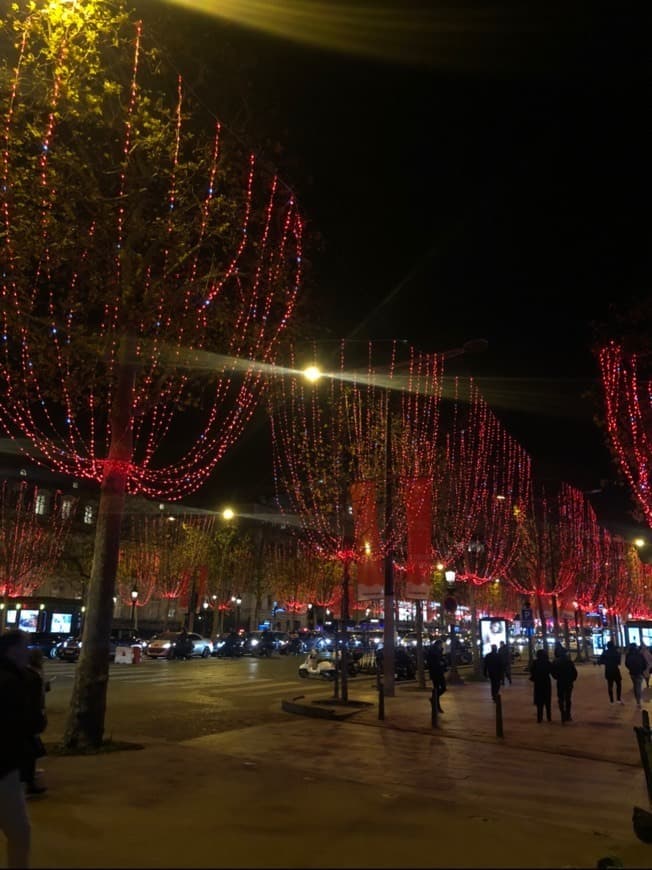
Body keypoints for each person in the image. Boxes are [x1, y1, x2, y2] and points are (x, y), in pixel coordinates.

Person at [0, 630, 33, 868]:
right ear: (13, 651)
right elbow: (27, 722)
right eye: (25, 648)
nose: (28, 653)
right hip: (5, 765)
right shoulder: (14, 681)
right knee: (19, 833)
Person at [20, 649, 48, 796]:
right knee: (30, 752)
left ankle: (28, 782)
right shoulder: (31, 675)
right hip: (27, 720)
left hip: (27, 719)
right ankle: (28, 783)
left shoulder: (32, 673)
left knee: (30, 752)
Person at [550, 645, 578, 723]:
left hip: (560, 682)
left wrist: (557, 677)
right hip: (568, 682)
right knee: (568, 699)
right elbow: (574, 672)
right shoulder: (568, 661)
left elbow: (553, 672)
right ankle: (568, 714)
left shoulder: (556, 661)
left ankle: (562, 713)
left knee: (561, 698)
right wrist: (572, 679)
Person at [530, 648, 553, 722]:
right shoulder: (547, 662)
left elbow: (532, 671)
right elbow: (551, 671)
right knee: (547, 701)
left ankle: (539, 718)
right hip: (546, 682)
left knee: (539, 701)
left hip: (538, 682)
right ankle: (549, 717)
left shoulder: (535, 662)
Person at [598, 640, 624, 704]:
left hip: (608, 671)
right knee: (618, 685)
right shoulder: (616, 653)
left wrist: (606, 662)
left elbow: (600, 661)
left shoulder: (605, 652)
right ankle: (618, 699)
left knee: (610, 685)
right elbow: (619, 662)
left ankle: (611, 700)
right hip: (615, 670)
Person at [426, 640, 447, 713]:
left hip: (439, 672)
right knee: (438, 688)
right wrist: (440, 663)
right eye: (441, 645)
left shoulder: (437, 651)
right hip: (436, 673)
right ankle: (436, 703)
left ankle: (434, 700)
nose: (442, 646)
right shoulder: (433, 651)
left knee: (440, 688)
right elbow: (434, 662)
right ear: (438, 645)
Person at [624, 642, 647, 709]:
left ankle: (637, 701)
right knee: (638, 686)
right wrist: (642, 670)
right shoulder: (640, 654)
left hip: (632, 673)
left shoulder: (628, 655)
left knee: (635, 685)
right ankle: (638, 702)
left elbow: (626, 664)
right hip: (639, 672)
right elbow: (644, 664)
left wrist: (630, 669)